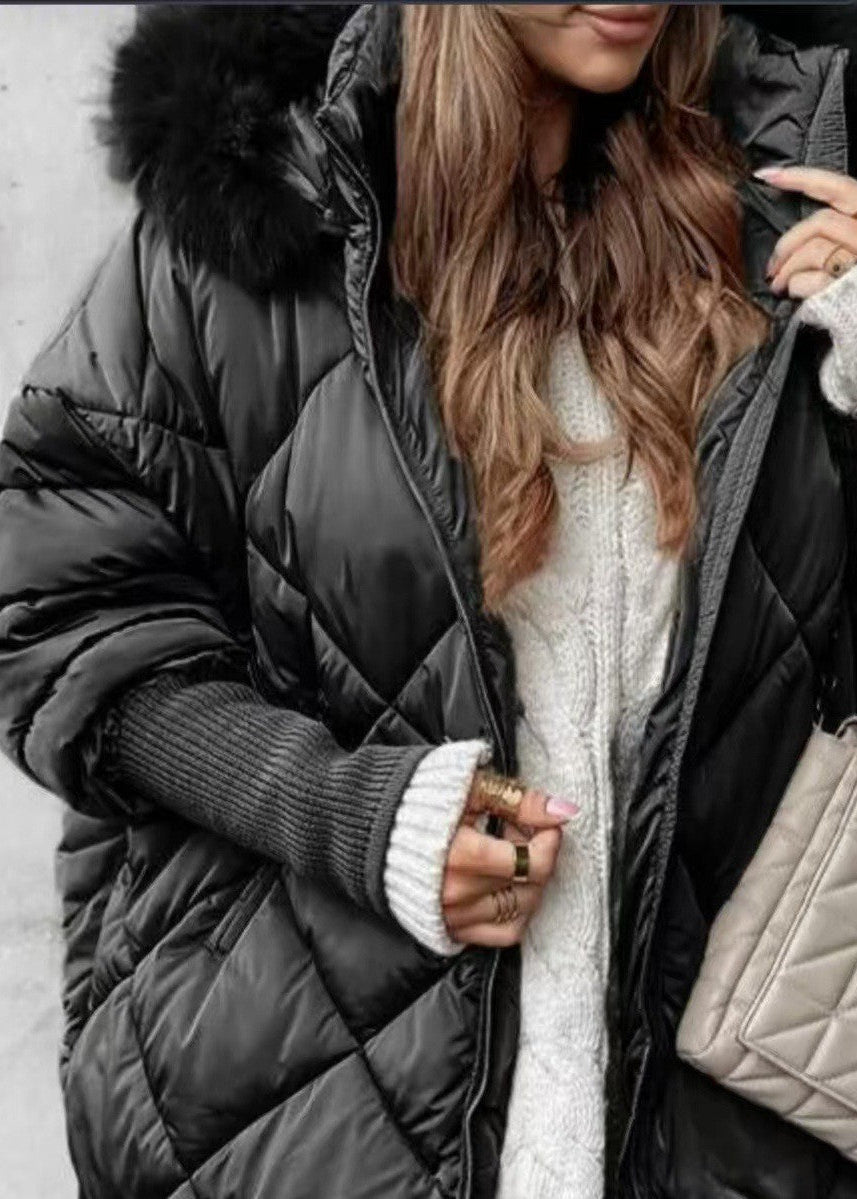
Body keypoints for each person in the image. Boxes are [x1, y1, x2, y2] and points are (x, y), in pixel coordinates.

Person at [2, 4, 857, 1197]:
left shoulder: (785, 203)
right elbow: (56, 615)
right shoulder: (264, 213)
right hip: (306, 1117)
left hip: (719, 1131)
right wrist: (349, 812)